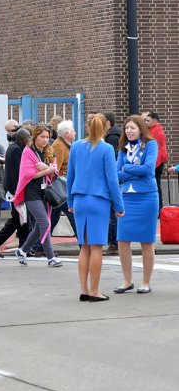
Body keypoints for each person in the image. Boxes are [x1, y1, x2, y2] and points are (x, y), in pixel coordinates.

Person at [67, 113, 125, 302]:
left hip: (79, 200)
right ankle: (94, 290)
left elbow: (70, 177)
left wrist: (70, 201)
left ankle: (83, 289)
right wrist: (119, 205)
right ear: (105, 128)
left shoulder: (75, 146)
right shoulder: (107, 149)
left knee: (84, 247)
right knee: (97, 248)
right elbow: (112, 180)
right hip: (98, 200)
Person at [114, 115, 158, 295]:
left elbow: (148, 169)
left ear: (141, 129)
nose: (129, 131)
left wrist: (127, 169)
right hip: (127, 198)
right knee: (122, 240)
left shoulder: (151, 144)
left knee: (146, 241)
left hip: (147, 197)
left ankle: (146, 282)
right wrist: (131, 172)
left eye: (132, 128)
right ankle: (127, 281)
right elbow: (116, 174)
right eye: (127, 128)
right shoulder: (123, 148)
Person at [13, 125, 63, 267]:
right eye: (42, 137)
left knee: (39, 227)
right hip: (31, 193)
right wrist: (47, 169)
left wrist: (48, 169)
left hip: (46, 192)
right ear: (34, 137)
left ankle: (22, 251)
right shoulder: (27, 152)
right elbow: (28, 174)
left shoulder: (48, 151)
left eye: (47, 137)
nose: (45, 140)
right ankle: (51, 258)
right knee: (45, 223)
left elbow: (55, 172)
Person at [0, 128, 31, 258]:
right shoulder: (17, 149)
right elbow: (18, 172)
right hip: (16, 190)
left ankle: (24, 248)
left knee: (23, 220)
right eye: (28, 138)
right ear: (23, 138)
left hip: (14, 189)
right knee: (18, 219)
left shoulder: (14, 148)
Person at [103, 112, 123, 256]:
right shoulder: (117, 135)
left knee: (112, 213)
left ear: (108, 124)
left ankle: (114, 243)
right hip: (116, 178)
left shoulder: (111, 138)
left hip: (113, 179)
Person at [142, 111, 167, 213]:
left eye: (147, 121)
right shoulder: (155, 129)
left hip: (157, 162)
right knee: (156, 185)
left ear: (154, 121)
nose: (145, 123)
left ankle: (158, 209)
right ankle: (158, 208)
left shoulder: (155, 132)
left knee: (155, 185)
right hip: (158, 161)